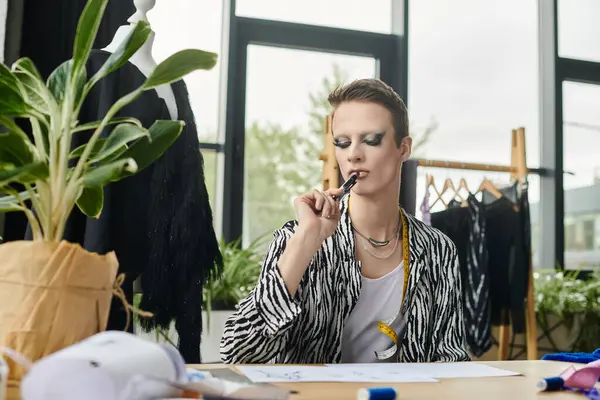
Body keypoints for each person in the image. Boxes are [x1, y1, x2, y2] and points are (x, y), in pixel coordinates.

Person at [220, 78, 470, 364]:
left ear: (403, 148)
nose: (353, 154)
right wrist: (304, 242)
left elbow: (452, 362)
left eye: (371, 140)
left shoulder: (439, 250)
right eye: (342, 142)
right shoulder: (296, 239)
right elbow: (238, 355)